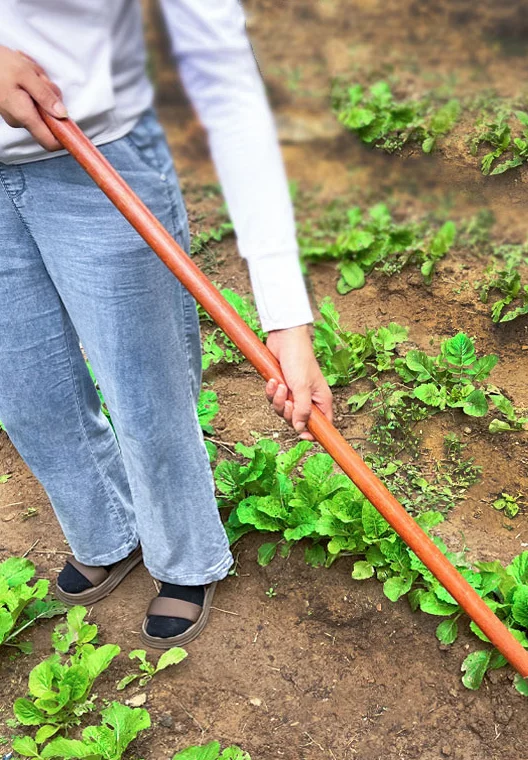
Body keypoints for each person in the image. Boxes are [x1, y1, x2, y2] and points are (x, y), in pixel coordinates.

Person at [0, 0, 333, 647]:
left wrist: (286, 320)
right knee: (25, 390)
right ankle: (106, 532)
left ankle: (184, 558)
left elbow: (225, 77)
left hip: (95, 153)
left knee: (145, 390)